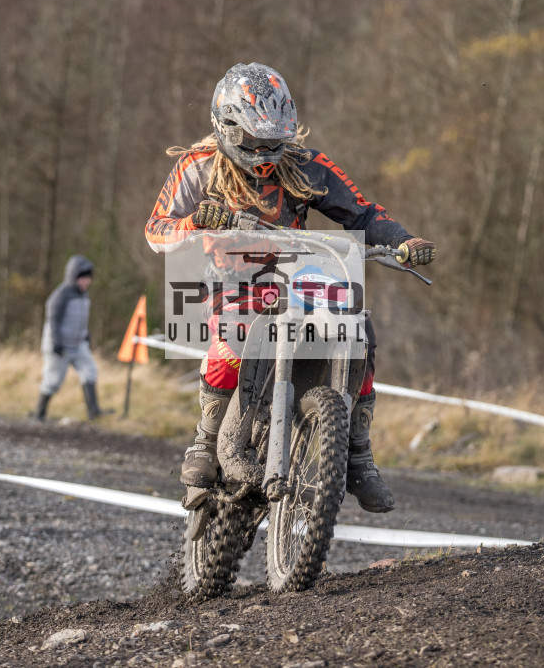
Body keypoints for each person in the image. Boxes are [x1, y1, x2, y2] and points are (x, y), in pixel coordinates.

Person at [144, 62, 436, 513]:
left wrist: (403, 241)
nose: (263, 153)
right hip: (231, 278)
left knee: (358, 330)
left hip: (297, 275)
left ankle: (358, 454)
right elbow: (156, 230)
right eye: (252, 141)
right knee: (233, 339)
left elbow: (361, 213)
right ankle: (204, 441)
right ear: (225, 126)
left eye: (273, 142)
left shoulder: (305, 165)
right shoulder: (198, 166)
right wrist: (196, 220)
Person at [32, 254, 114, 422]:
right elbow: (52, 319)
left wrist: (85, 334)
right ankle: (39, 413)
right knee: (53, 379)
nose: (86, 282)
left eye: (87, 279)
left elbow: (80, 318)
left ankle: (94, 411)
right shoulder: (61, 295)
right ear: (73, 276)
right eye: (82, 279)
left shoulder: (84, 296)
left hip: (78, 345)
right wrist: (56, 342)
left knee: (90, 371)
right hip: (59, 346)